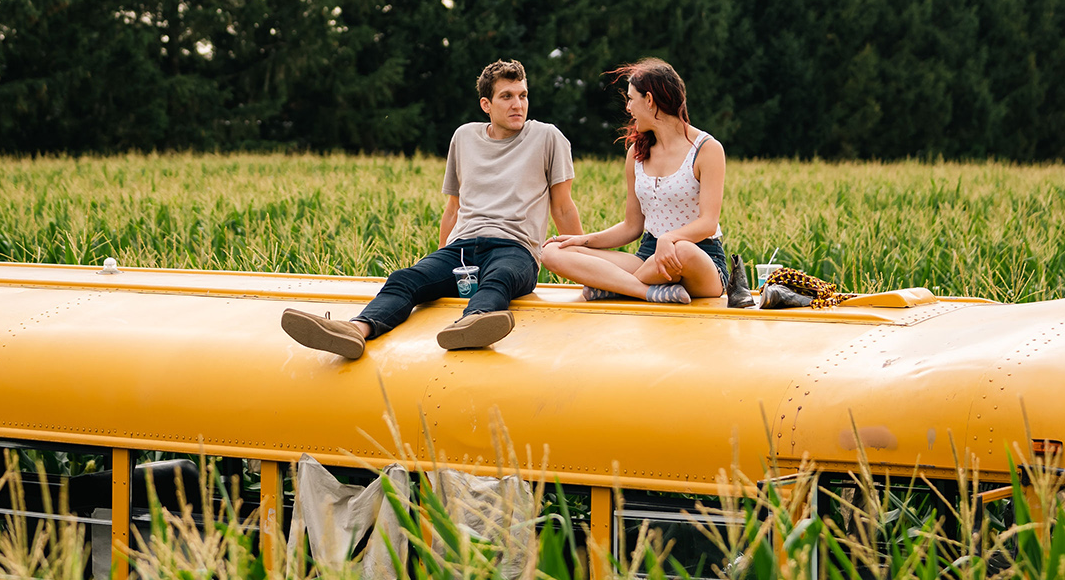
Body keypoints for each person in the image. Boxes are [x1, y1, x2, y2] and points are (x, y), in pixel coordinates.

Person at [281, 59, 581, 358]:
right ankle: (354, 330)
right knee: (404, 278)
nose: (518, 104)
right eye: (507, 96)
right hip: (461, 249)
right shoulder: (464, 137)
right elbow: (453, 208)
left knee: (499, 276)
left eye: (523, 95)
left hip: (515, 250)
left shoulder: (546, 137)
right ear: (486, 104)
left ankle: (473, 323)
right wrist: (440, 260)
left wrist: (584, 270)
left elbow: (563, 208)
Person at [539, 59, 751, 307]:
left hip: (699, 257)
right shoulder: (636, 154)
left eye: (631, 99)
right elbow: (632, 227)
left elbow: (708, 222)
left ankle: (614, 286)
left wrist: (669, 239)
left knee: (681, 250)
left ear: (649, 100)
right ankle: (644, 291)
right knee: (553, 252)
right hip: (648, 259)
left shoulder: (707, 149)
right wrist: (582, 240)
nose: (628, 107)